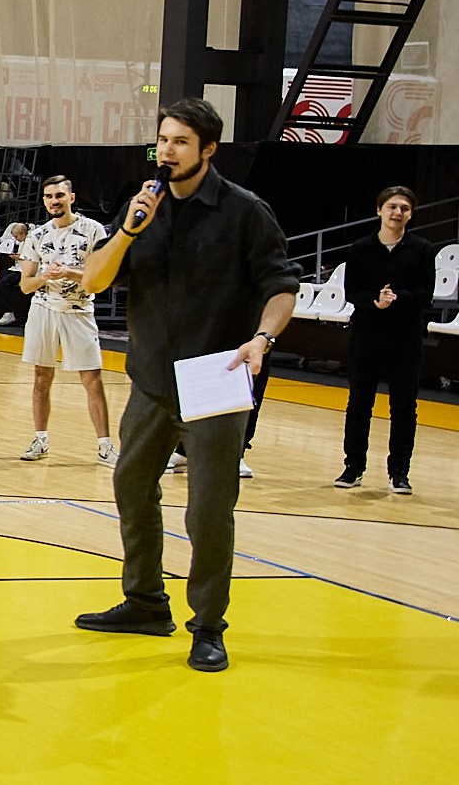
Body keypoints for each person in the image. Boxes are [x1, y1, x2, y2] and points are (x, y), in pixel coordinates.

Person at [69, 98, 298, 673]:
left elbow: (281, 285)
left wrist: (262, 340)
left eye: (179, 143)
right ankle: (145, 602)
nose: (166, 152)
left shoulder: (246, 212)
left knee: (208, 511)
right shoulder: (141, 209)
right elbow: (93, 281)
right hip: (150, 378)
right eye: (161, 141)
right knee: (130, 485)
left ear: (208, 150)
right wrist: (125, 230)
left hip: (215, 377)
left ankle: (208, 626)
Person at [336, 185, 436, 495]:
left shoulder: (422, 249)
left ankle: (399, 472)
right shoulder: (360, 248)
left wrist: (397, 299)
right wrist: (374, 302)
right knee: (359, 403)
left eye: (404, 208)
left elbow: (426, 295)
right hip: (367, 333)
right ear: (379, 210)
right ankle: (353, 467)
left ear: (410, 214)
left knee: (404, 406)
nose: (398, 212)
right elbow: (352, 293)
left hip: (405, 336)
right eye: (392, 206)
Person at [17, 174, 117, 466]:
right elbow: (25, 285)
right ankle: (40, 439)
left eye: (59, 195)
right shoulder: (37, 235)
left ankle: (105, 445)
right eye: (49, 196)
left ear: (71, 198)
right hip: (43, 309)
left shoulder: (93, 231)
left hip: (79, 309)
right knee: (41, 378)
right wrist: (44, 277)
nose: (54, 201)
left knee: (92, 379)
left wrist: (69, 273)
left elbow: (104, 278)